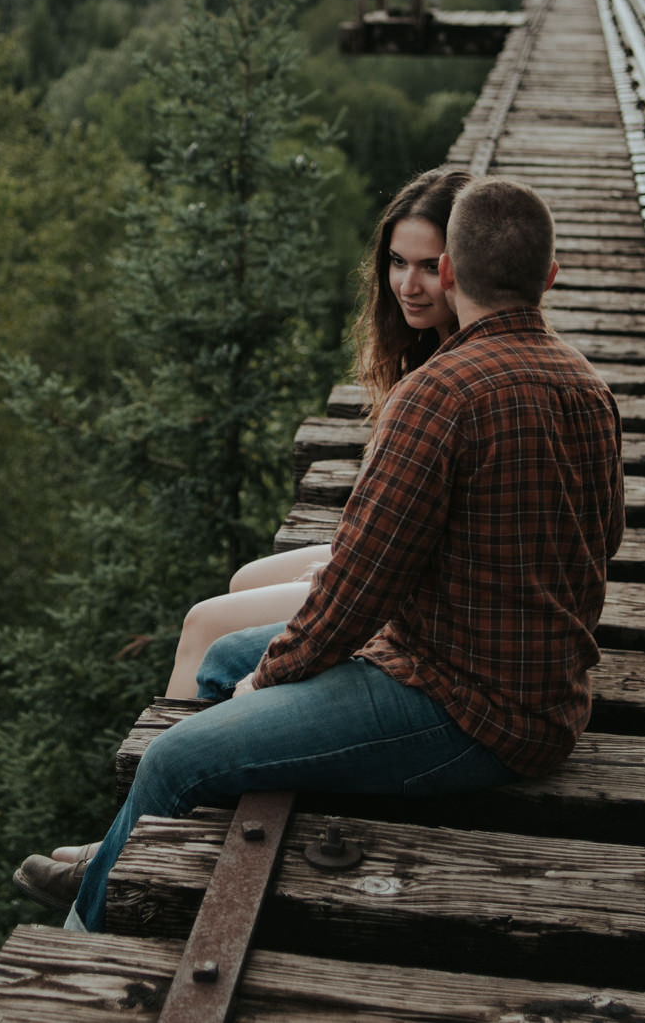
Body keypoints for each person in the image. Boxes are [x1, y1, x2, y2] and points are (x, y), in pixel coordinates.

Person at [16, 175, 626, 932]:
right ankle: (136, 867)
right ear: (551, 277)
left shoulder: (438, 395)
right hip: (523, 689)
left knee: (177, 756)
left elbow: (353, 594)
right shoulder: (590, 388)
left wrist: (270, 684)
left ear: (448, 273)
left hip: (468, 715)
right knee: (221, 659)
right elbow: (603, 544)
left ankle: (73, 962)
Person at [159, 167, 471, 700]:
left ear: (462, 267)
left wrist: (348, 567)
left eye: (427, 267)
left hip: (427, 587)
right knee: (244, 580)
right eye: (397, 263)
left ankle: (188, 755)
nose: (408, 286)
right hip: (411, 555)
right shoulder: (431, 344)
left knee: (204, 623)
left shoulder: (451, 373)